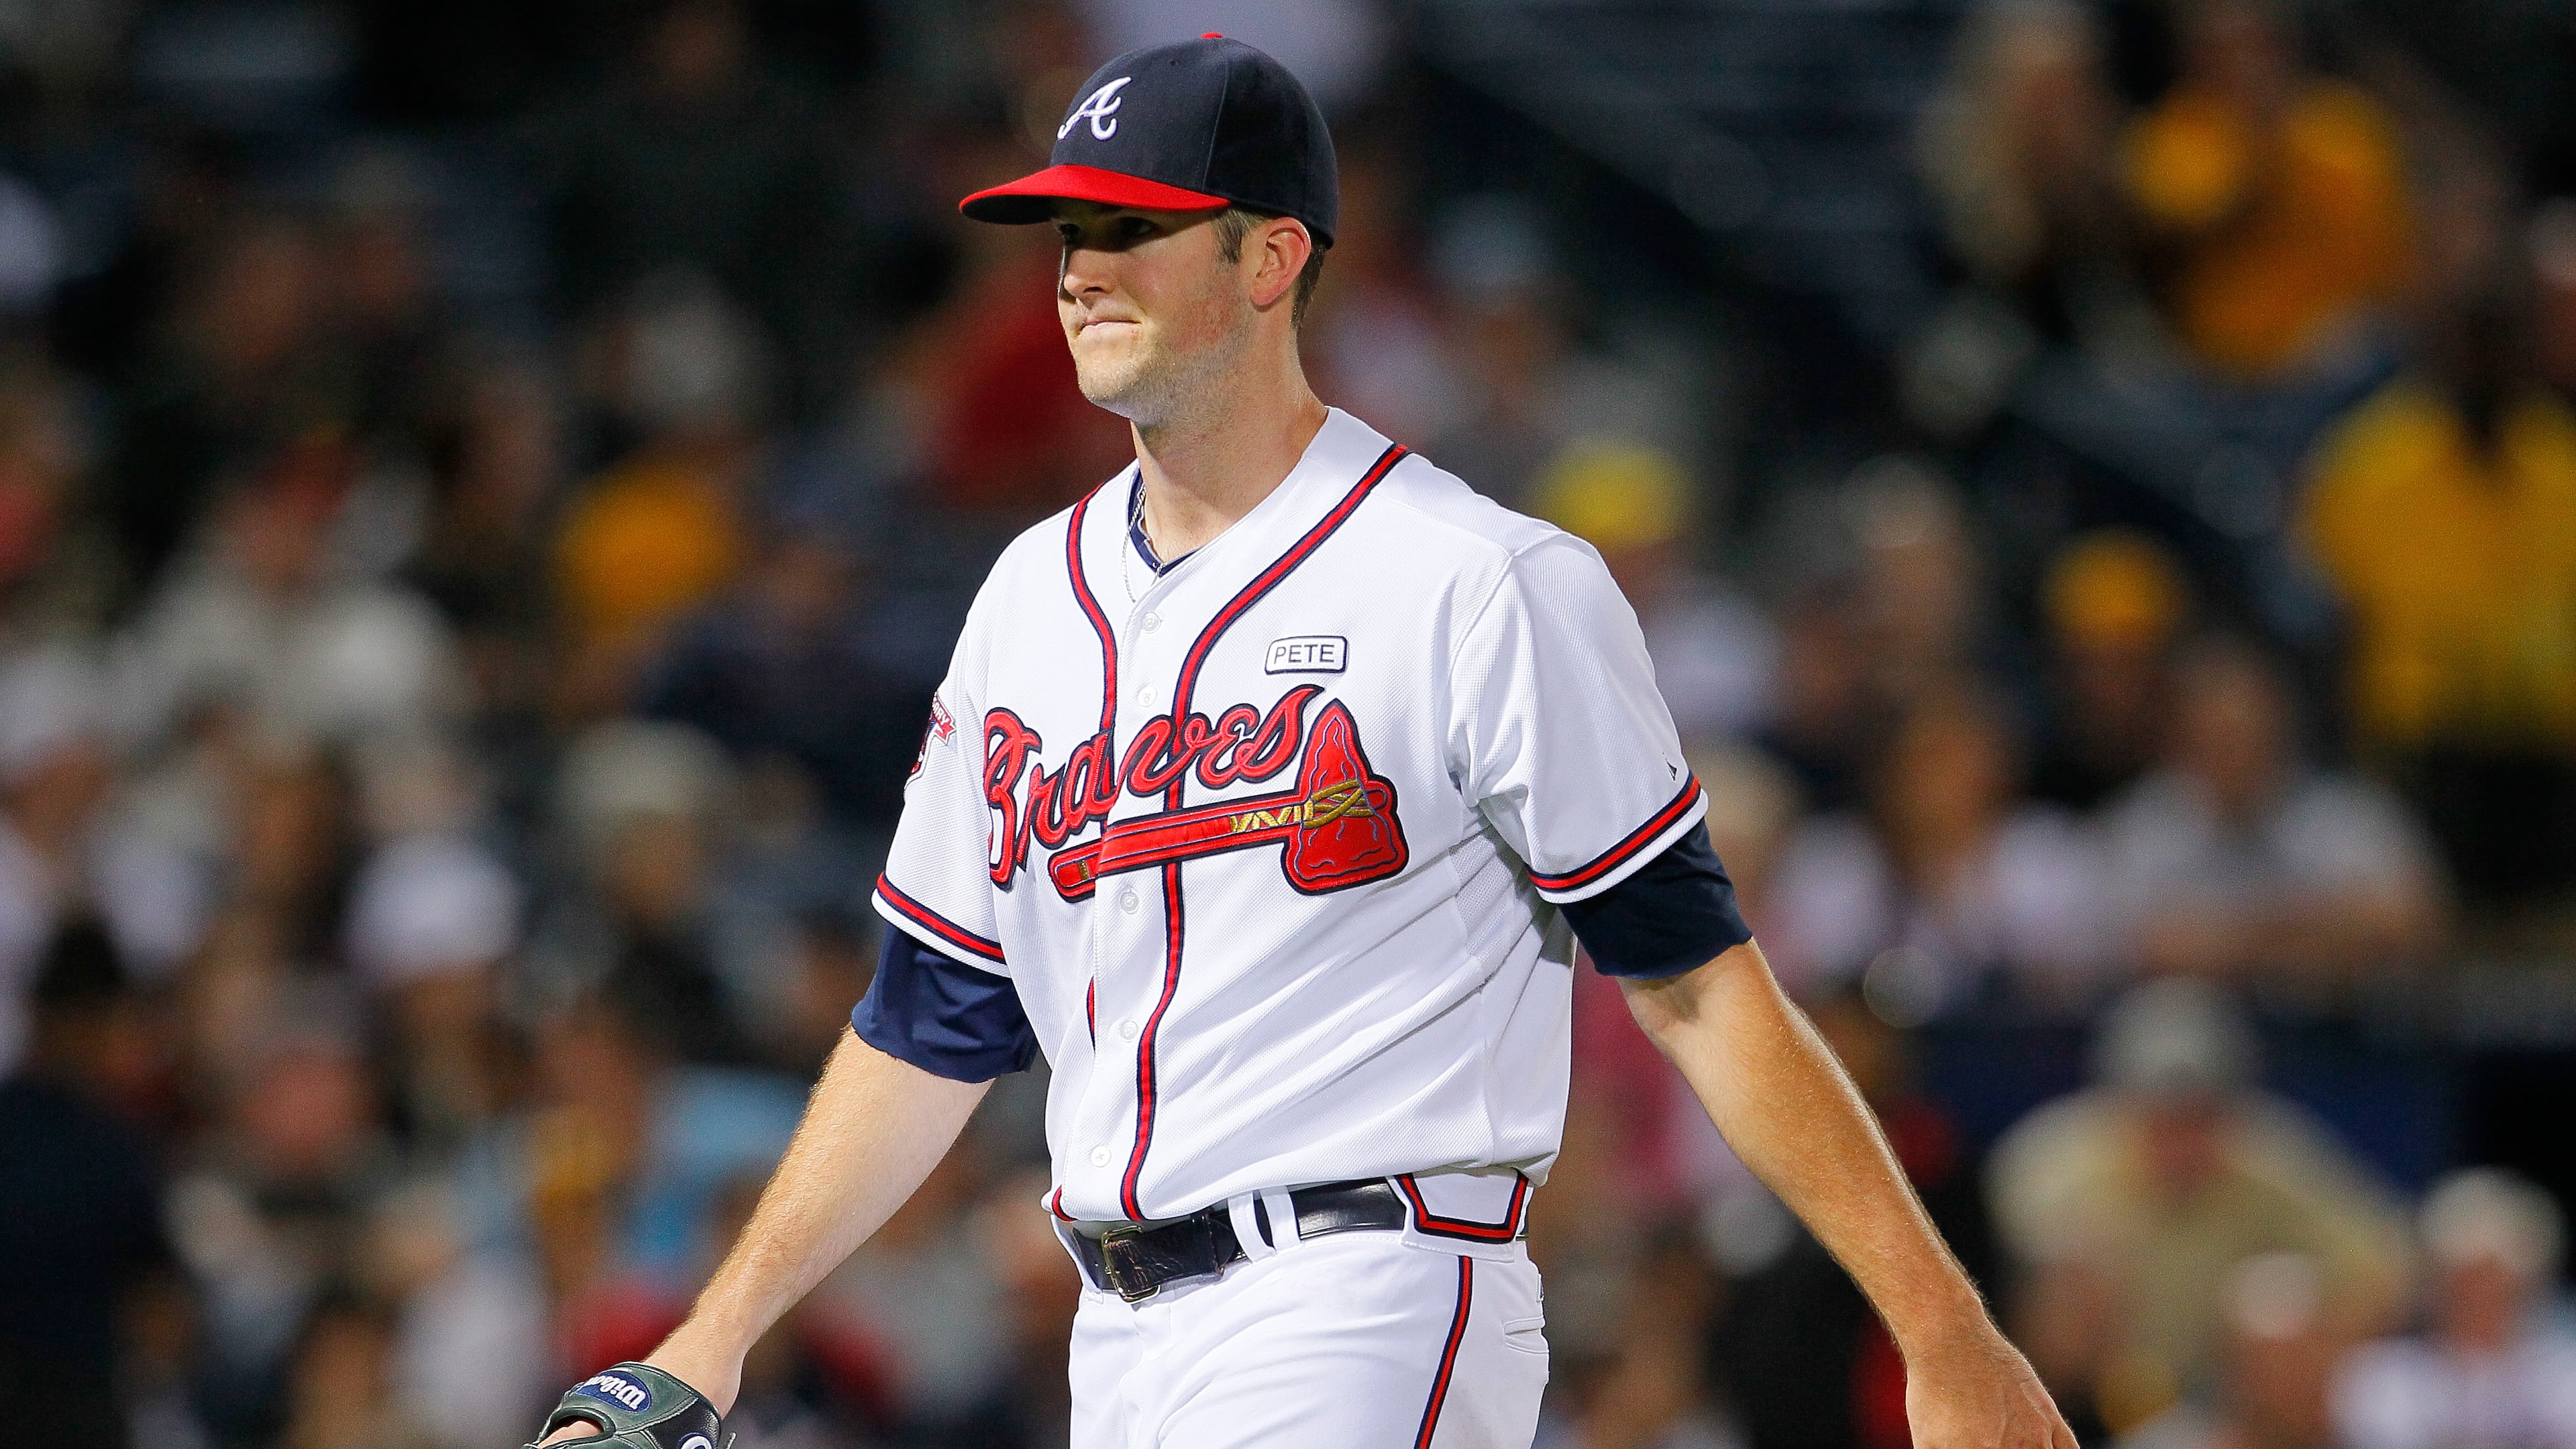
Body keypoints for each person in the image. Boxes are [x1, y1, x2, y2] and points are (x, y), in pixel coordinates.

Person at [532, 36, 2076, 1449]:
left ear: (1270, 256)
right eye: (1072, 235)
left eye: (1131, 229)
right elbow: (929, 1019)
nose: (1079, 272)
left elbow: (1689, 979)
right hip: (1116, 1332)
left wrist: (1941, 1326)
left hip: (1369, 1287)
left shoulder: (1478, 579)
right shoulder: (1027, 596)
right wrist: (711, 1338)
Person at [2333, 1169, 2576, 1449]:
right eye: (2465, 1281)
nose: (2480, 1297)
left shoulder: (2564, 1372)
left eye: (2496, 1282)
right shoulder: (2382, 1375)